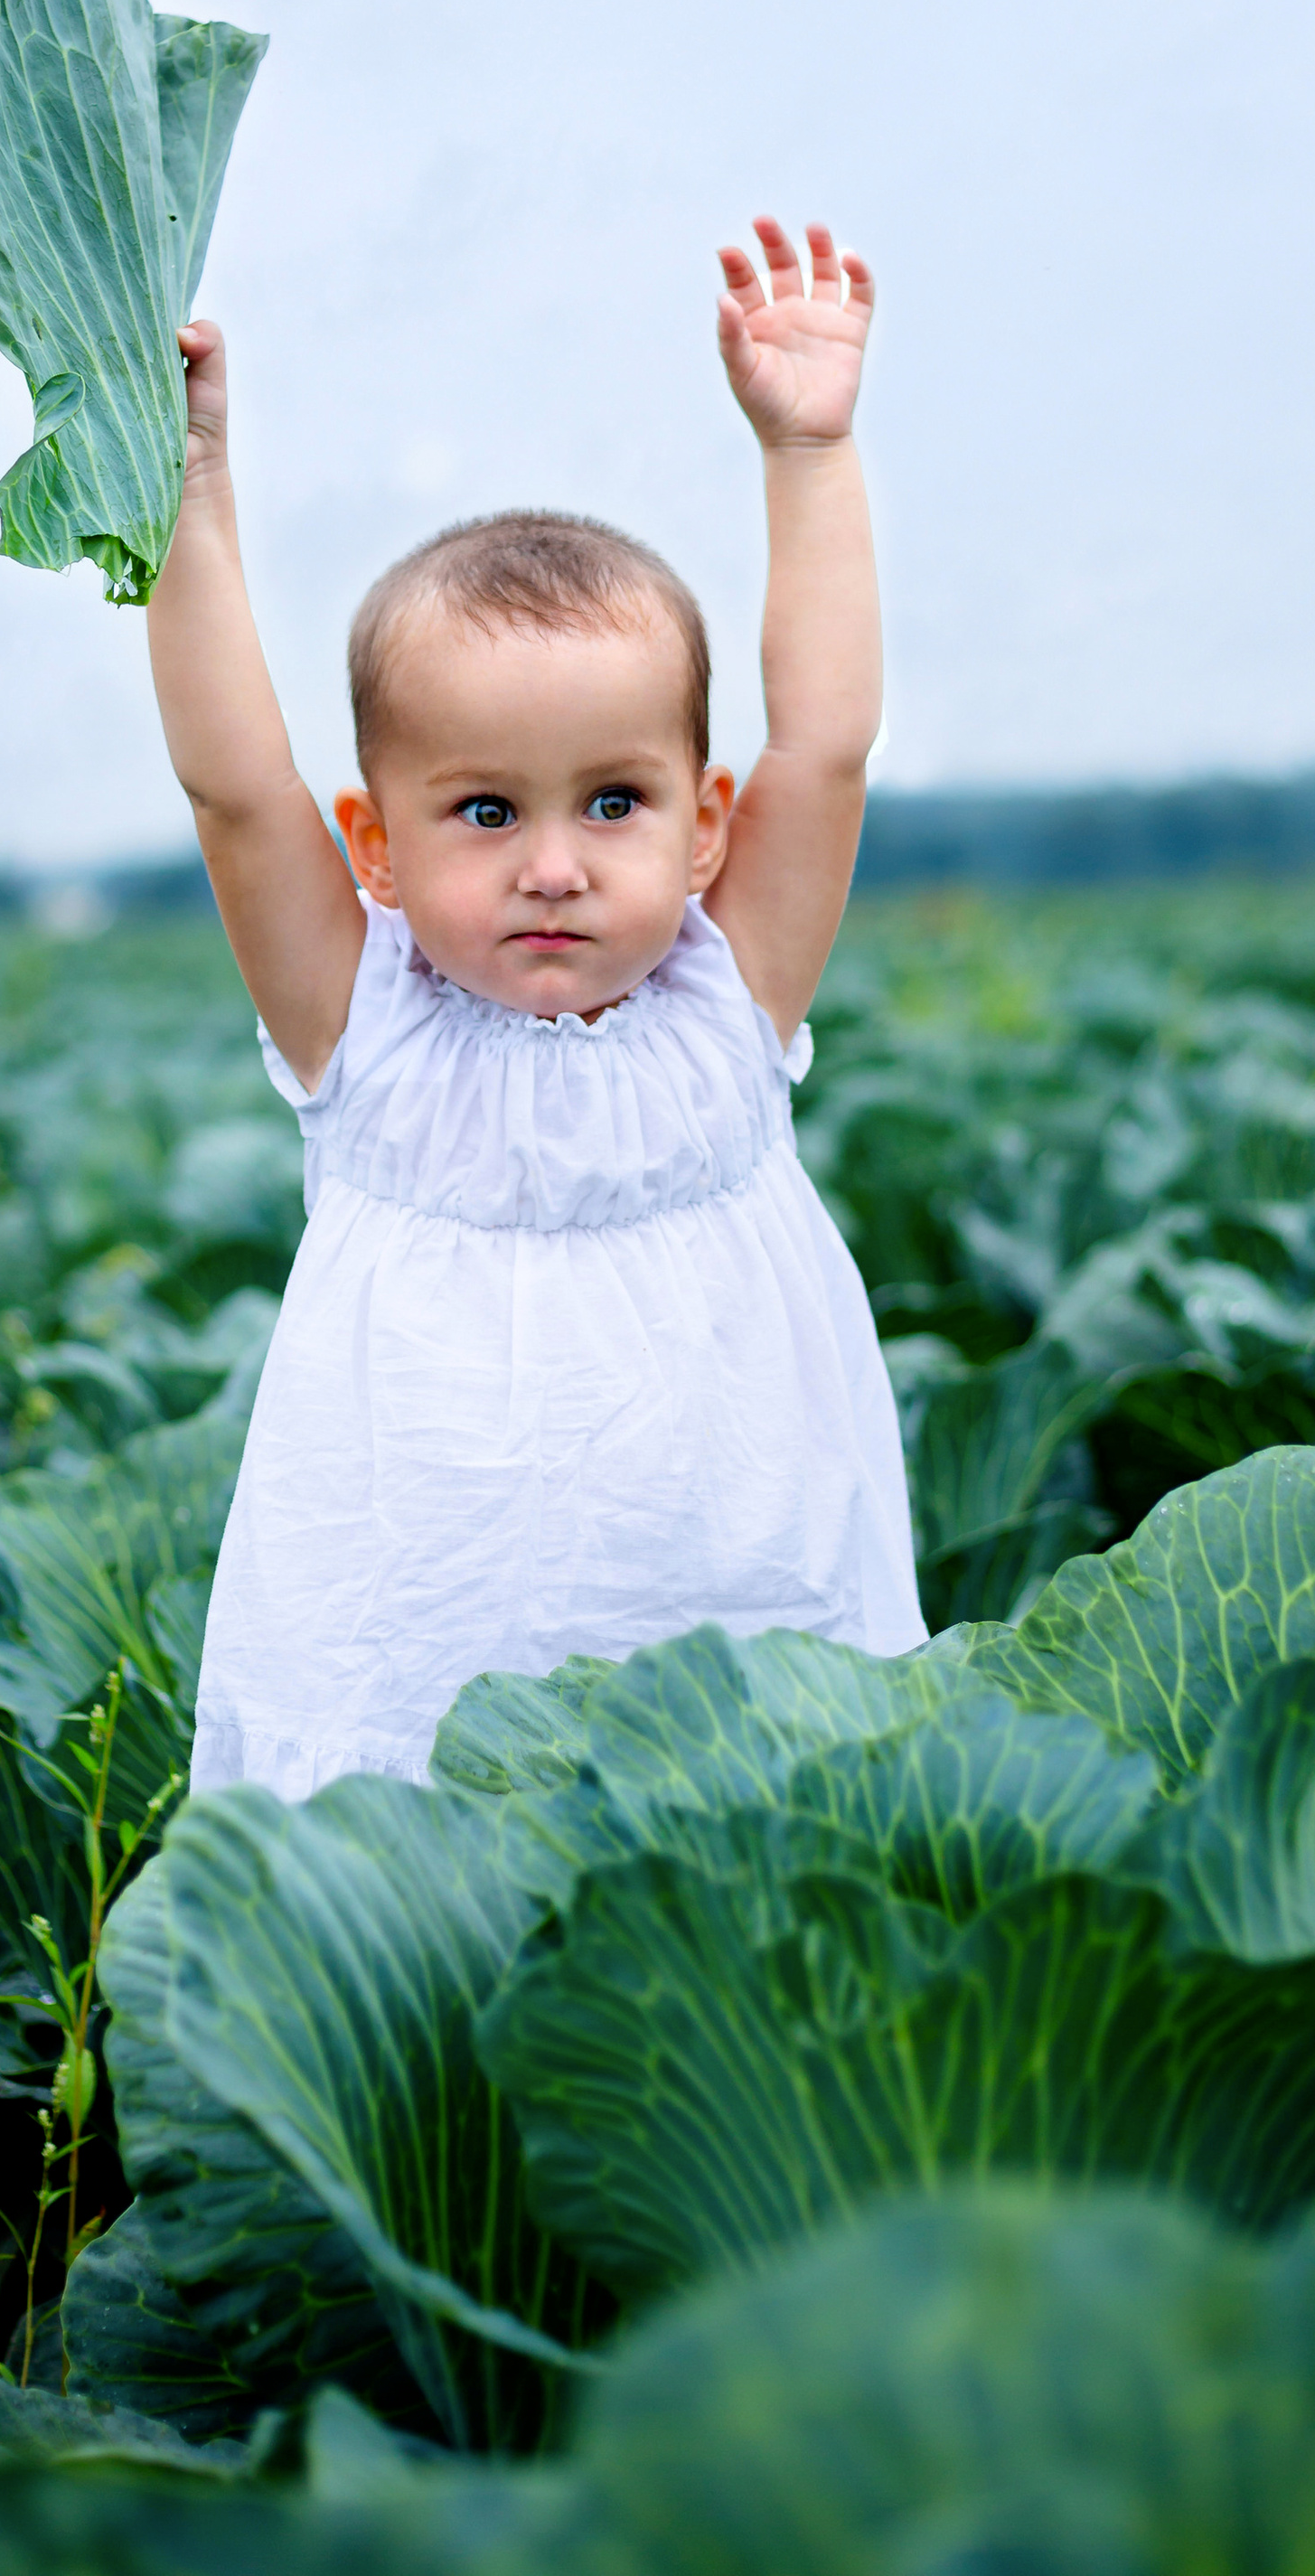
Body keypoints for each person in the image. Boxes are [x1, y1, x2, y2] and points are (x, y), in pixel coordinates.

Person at [146, 218, 925, 1799]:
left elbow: (825, 744)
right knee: (426, 1888)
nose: (555, 867)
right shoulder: (364, 1035)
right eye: (486, 813)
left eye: (616, 804)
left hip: (729, 1583)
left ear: (707, 824)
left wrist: (810, 452)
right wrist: (192, 496)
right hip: (422, 1614)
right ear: (375, 846)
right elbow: (236, 791)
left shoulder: (730, 990)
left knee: (752, 1846)